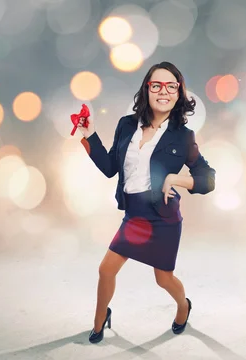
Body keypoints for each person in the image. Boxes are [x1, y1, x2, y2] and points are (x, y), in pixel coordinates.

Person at [75, 61, 216, 344]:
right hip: (135, 216)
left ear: (178, 93)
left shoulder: (183, 136)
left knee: (163, 280)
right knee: (106, 269)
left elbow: (207, 178)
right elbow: (110, 167)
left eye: (171, 86)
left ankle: (183, 307)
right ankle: (99, 321)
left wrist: (177, 179)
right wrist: (89, 134)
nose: (163, 91)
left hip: (164, 219)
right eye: (156, 85)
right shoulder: (127, 125)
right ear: (147, 89)